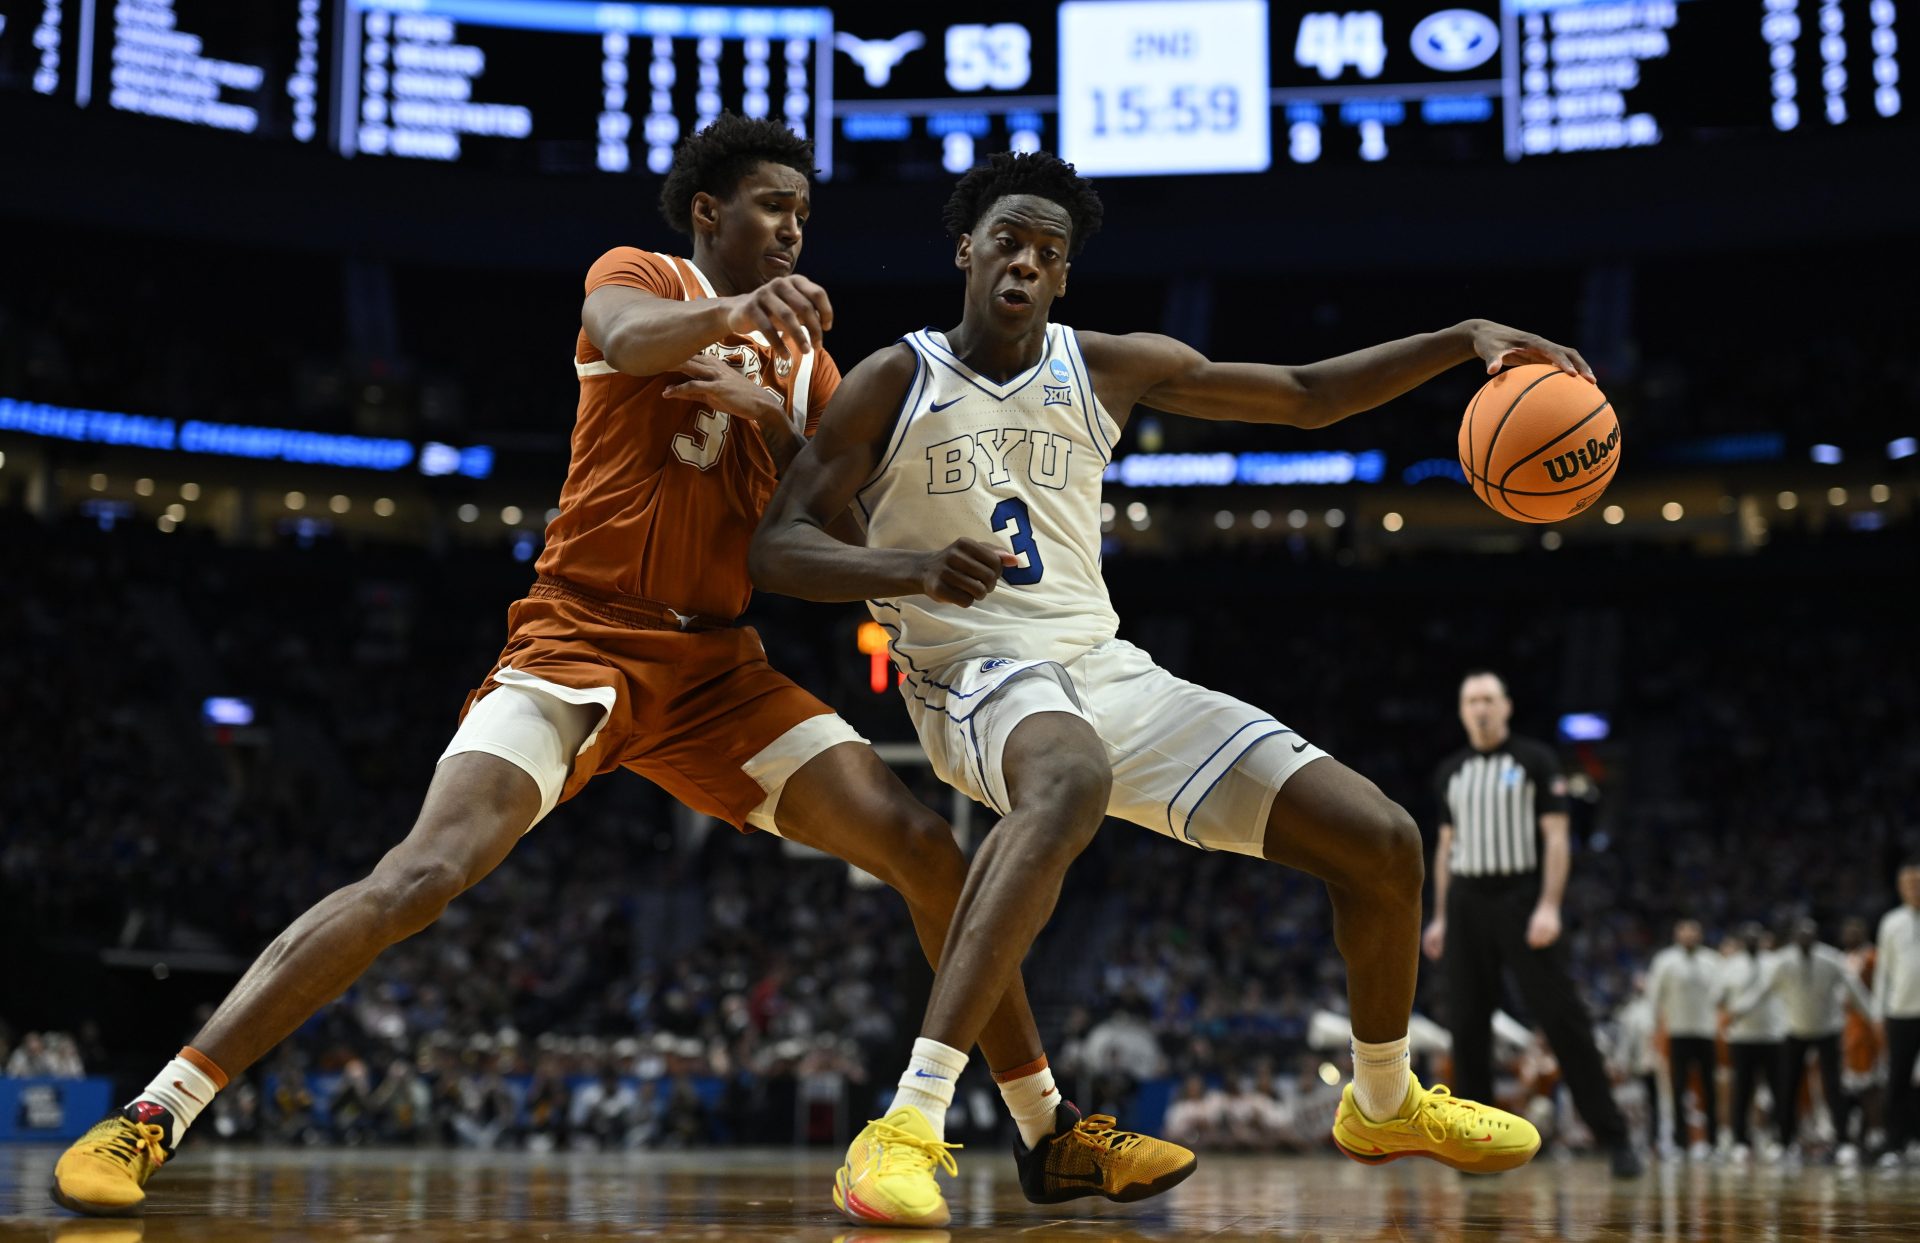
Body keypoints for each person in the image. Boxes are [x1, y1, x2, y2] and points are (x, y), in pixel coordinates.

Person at [48, 118, 1176, 1218]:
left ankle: (1048, 1130)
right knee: (421, 875)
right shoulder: (641, 273)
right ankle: (153, 1113)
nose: (794, 230)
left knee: (929, 854)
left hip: (719, 670)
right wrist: (731, 316)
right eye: (773, 207)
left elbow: (853, 505)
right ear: (710, 212)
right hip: (581, 636)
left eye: (805, 215)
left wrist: (788, 431)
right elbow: (630, 338)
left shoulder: (813, 363)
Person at [752, 149, 1581, 1227]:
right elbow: (780, 547)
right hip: (971, 674)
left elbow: (1305, 396)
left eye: (1049, 254)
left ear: (1062, 280)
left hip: (1106, 667)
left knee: (1381, 841)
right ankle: (905, 1122)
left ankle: (1383, 1102)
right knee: (1068, 778)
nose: (1026, 264)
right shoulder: (894, 379)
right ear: (966, 250)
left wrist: (1463, 337)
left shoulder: (1103, 365)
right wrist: (902, 571)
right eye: (1007, 241)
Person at [1425, 673, 1644, 1177]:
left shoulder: (1536, 761)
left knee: (1562, 1017)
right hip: (1465, 900)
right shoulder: (1450, 772)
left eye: (1488, 699)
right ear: (1462, 711)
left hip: (1522, 896)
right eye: (1471, 701)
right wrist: (1438, 916)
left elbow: (1558, 838)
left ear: (1506, 707)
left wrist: (1549, 905)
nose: (1480, 708)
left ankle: (1615, 1138)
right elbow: (1444, 848)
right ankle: (1477, 1150)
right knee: (1467, 1027)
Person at [1732, 917, 1874, 1161]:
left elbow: (1854, 990)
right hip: (1795, 1030)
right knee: (1787, 1087)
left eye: (1809, 935)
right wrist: (1739, 1009)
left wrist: (1874, 1016)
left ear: (1816, 937)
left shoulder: (1831, 959)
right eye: (1800, 936)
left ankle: (1842, 1141)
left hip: (1828, 1029)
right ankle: (1784, 1141)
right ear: (1794, 938)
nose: (1805, 940)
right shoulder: (1783, 961)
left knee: (1833, 1086)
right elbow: (1763, 990)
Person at [1646, 919, 1722, 1160]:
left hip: (1706, 1032)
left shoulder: (1712, 961)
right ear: (1677, 935)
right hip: (1677, 1032)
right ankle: (1680, 1142)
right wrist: (1655, 1030)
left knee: (1710, 1088)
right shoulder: (1665, 961)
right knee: (1677, 1088)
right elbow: (1654, 997)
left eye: (1693, 932)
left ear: (1699, 935)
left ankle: (1713, 1142)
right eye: (1684, 932)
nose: (1689, 936)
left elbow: (1721, 996)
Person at [1721, 922, 1789, 1162]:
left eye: (1755, 937)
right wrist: (1731, 1009)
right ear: (1741, 940)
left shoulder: (1775, 963)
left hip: (1773, 1035)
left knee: (1779, 1090)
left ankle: (1781, 1140)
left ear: (1763, 939)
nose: (1751, 940)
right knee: (1742, 1091)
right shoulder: (1730, 966)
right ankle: (1740, 1141)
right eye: (1747, 937)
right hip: (1742, 1037)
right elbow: (1718, 997)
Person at [1872, 860, 1920, 1170]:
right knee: (1897, 1081)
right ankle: (1894, 1145)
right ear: (1900, 888)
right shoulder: (1890, 922)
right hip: (1901, 1011)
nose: (1915, 888)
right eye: (1909, 884)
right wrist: (1878, 1012)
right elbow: (1883, 972)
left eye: (1918, 883)